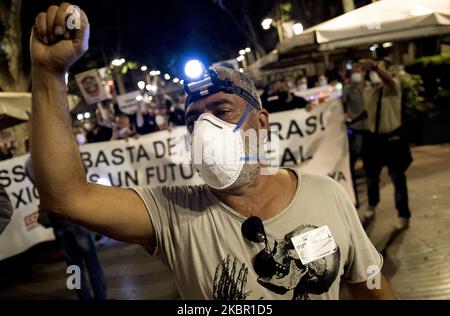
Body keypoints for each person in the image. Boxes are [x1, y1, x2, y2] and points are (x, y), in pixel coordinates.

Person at [30, 3, 396, 300]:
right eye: (193, 121)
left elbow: (370, 286)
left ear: (262, 122)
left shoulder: (327, 195)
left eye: (221, 112)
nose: (204, 129)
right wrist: (49, 74)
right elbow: (65, 196)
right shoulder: (172, 215)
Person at [25, 154, 107, 300]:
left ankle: (83, 297)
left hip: (56, 217)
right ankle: (100, 297)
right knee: (92, 262)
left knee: (73, 265)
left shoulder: (30, 163)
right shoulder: (63, 150)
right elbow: (83, 172)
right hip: (75, 215)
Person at [359, 58, 413, 230]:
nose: (376, 71)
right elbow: (369, 112)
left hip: (393, 140)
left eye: (380, 68)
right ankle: (372, 204)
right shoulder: (368, 91)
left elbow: (388, 80)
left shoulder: (393, 86)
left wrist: (375, 66)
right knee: (371, 178)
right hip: (374, 140)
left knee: (398, 179)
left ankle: (403, 214)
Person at [342, 63, 367, 208]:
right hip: (355, 130)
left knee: (369, 165)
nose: (356, 74)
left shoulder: (369, 88)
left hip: (369, 130)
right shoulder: (348, 89)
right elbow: (341, 104)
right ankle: (354, 197)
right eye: (354, 71)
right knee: (351, 164)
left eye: (359, 71)